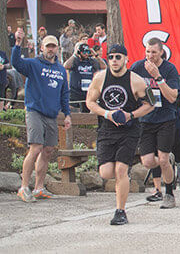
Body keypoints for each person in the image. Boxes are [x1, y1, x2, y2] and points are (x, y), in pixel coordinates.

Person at [85, 44, 153, 224]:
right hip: (107, 129)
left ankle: (120, 211)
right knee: (106, 173)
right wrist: (107, 113)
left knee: (121, 170)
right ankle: (123, 182)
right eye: (111, 57)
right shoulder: (100, 78)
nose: (114, 61)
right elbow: (90, 102)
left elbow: (150, 103)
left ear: (126, 59)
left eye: (118, 57)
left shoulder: (136, 80)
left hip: (129, 130)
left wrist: (130, 115)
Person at [12, 32, 71, 202]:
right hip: (35, 111)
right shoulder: (34, 64)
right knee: (36, 147)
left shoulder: (60, 69)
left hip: (52, 115)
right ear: (42, 48)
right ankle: (24, 187)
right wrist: (17, 43)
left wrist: (67, 114)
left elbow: (64, 93)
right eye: (48, 46)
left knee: (47, 150)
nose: (51, 49)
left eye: (53, 46)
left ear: (57, 49)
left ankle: (39, 188)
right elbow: (16, 63)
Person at [130, 38, 180, 209]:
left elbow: (172, 97)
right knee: (147, 162)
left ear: (161, 52)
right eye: (147, 52)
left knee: (163, 159)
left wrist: (157, 77)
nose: (150, 56)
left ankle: (169, 194)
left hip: (166, 118)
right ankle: (167, 161)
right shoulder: (137, 68)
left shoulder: (169, 69)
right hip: (146, 120)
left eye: (154, 52)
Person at [64, 42, 106, 113]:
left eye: (87, 51)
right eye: (84, 52)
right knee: (74, 113)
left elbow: (104, 66)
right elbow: (66, 66)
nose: (86, 54)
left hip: (88, 91)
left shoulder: (92, 61)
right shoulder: (75, 61)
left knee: (87, 114)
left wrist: (95, 54)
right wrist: (74, 54)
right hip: (75, 92)